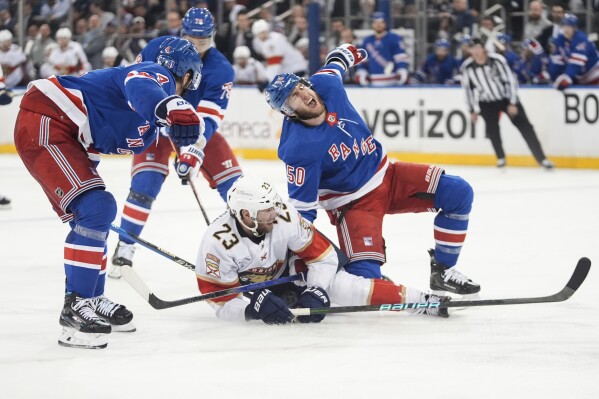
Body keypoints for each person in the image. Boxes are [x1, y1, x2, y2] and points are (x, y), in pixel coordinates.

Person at [14, 37, 204, 349]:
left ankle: (91, 295)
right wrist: (169, 104)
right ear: (185, 75)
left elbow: (91, 137)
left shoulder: (143, 117)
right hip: (47, 119)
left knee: (95, 212)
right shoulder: (154, 75)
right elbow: (143, 83)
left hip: (62, 131)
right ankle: (76, 307)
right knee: (97, 208)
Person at [264, 44, 480, 296]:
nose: (304, 94)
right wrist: (291, 256)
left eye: (301, 87)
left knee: (458, 192)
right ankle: (341, 273)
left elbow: (337, 60)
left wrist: (350, 53)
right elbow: (303, 212)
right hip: (353, 205)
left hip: (388, 175)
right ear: (289, 111)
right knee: (365, 281)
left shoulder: (327, 86)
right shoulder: (298, 149)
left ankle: (443, 270)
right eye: (293, 96)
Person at [195, 175, 451, 324]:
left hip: (294, 270)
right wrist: (252, 309)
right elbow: (221, 305)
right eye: (266, 210)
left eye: (275, 205)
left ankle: (423, 301)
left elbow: (324, 258)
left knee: (347, 288)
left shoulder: (285, 217)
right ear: (245, 215)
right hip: (260, 288)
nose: (275, 213)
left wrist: (316, 288)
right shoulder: (216, 245)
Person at [110, 8, 243, 278]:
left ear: (213, 37)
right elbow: (135, 88)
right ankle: (125, 246)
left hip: (196, 129)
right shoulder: (156, 48)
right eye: (192, 39)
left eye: (203, 41)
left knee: (238, 190)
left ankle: (252, 250)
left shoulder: (220, 69)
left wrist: (192, 151)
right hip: (155, 126)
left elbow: (209, 117)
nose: (196, 46)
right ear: (181, 33)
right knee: (143, 189)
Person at [460, 38, 554, 169]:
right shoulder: (467, 67)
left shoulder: (497, 60)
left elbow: (511, 81)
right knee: (493, 131)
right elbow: (468, 90)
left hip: (506, 99)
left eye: (477, 47)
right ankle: (501, 158)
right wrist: (471, 110)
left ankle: (542, 159)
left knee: (526, 127)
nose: (475, 51)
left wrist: (512, 102)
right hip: (486, 102)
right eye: (472, 48)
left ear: (483, 48)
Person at [355, 12, 409, 86]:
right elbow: (363, 62)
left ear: (385, 23)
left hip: (392, 82)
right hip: (373, 82)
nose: (378, 25)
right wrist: (362, 72)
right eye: (375, 22)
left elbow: (400, 58)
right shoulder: (367, 41)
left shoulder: (394, 38)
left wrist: (402, 70)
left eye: (381, 22)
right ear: (372, 24)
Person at [549, 14, 599, 89]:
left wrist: (566, 77)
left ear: (575, 28)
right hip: (581, 78)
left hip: (595, 76)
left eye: (569, 26)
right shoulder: (560, 40)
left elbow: (576, 64)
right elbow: (557, 61)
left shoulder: (581, 39)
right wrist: (552, 77)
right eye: (564, 26)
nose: (566, 29)